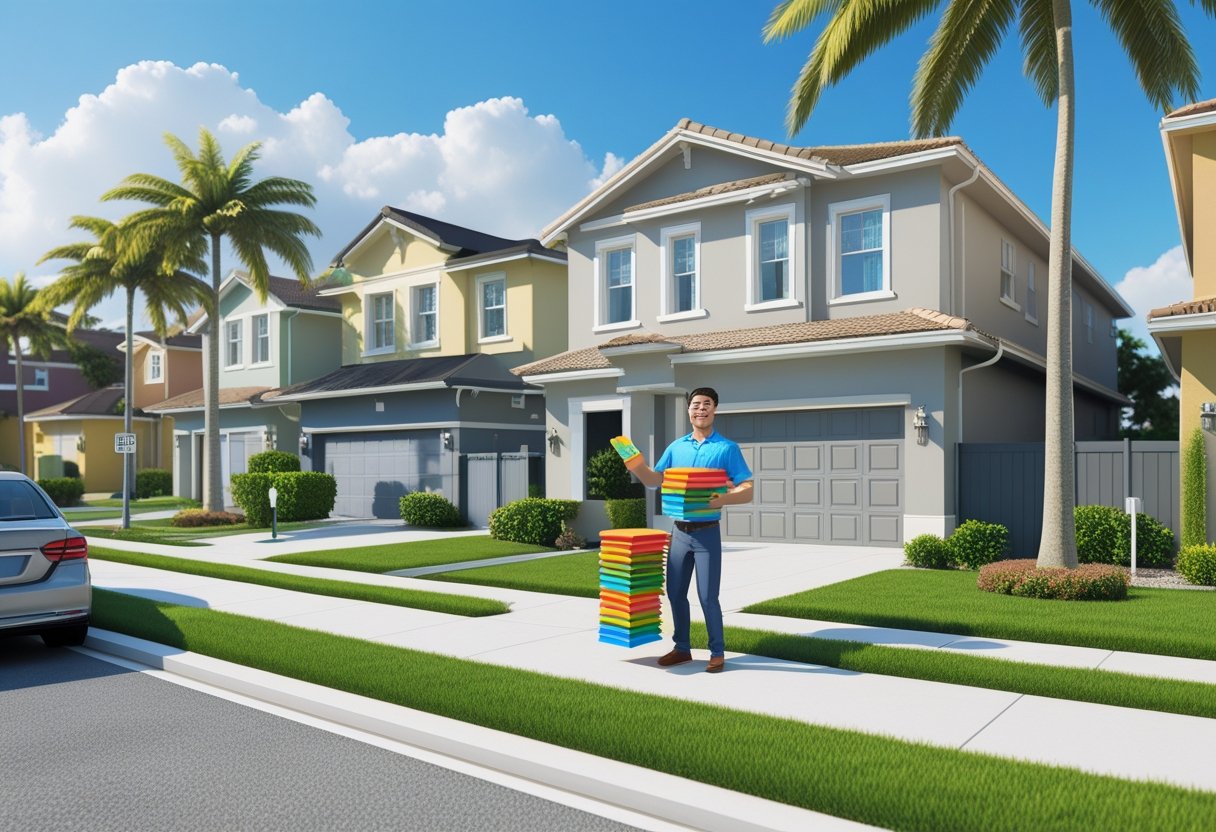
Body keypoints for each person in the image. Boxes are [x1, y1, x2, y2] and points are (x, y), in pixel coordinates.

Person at [624, 387, 753, 673]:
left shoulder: (727, 448)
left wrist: (726, 498)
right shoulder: (675, 447)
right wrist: (636, 464)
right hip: (679, 533)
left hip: (707, 533)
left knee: (708, 596)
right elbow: (654, 480)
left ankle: (717, 652)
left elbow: (748, 489)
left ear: (715, 409)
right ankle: (682, 648)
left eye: (707, 404)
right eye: (696, 404)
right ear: (688, 410)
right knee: (675, 593)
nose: (701, 409)